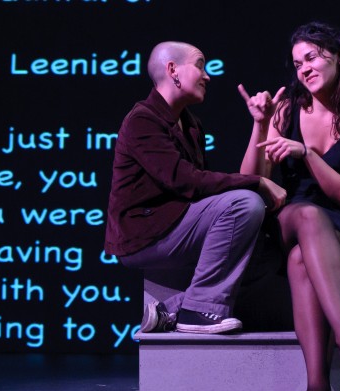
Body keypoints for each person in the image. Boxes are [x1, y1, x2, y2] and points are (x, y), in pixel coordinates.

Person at [239, 22, 340, 391]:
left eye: (311, 58)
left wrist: (306, 154)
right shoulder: (287, 108)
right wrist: (260, 123)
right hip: (290, 215)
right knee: (306, 215)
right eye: (297, 63)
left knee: (300, 260)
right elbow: (251, 181)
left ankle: (318, 389)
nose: (303, 68)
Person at [104, 41, 286, 334]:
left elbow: (201, 187)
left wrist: (259, 125)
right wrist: (258, 182)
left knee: (267, 250)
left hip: (175, 224)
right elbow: (186, 180)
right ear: (172, 70)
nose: (207, 76)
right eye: (200, 66)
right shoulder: (143, 119)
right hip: (145, 233)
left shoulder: (190, 124)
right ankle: (198, 312)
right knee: (244, 204)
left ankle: (172, 309)